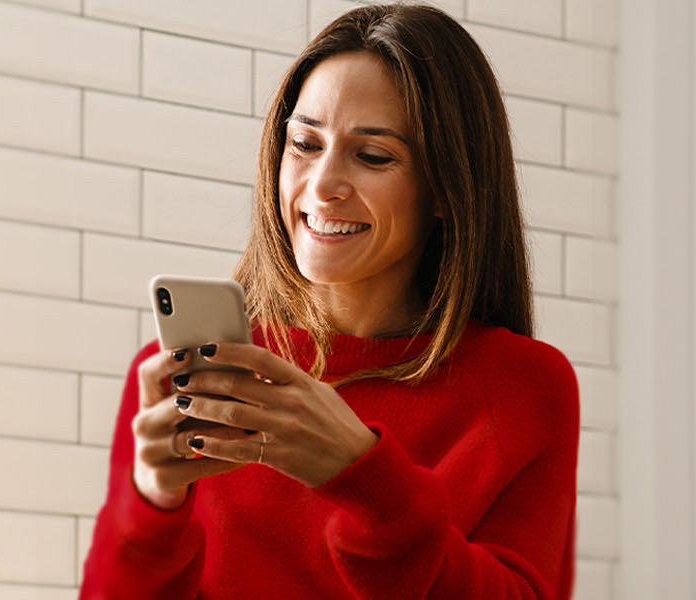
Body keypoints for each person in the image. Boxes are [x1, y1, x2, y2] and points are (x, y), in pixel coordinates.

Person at [78, 4, 580, 599]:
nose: (321, 186)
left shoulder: (524, 388)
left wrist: (363, 477)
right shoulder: (186, 376)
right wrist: (151, 505)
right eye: (304, 144)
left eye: (373, 156)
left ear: (446, 188)